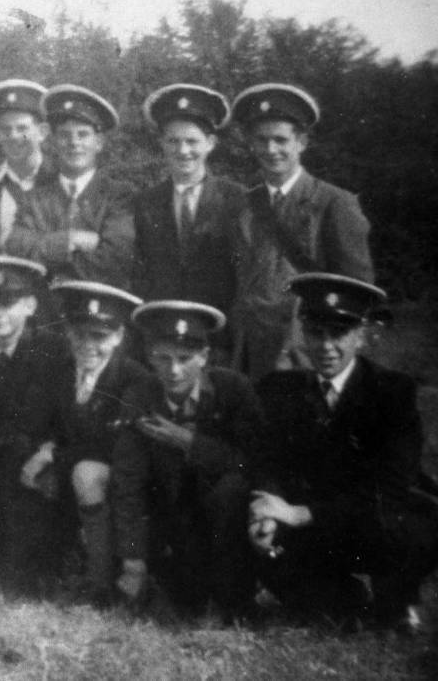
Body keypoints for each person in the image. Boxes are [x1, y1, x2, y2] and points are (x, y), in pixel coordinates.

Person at [249, 273, 438, 631]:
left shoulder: (392, 392)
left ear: (361, 335)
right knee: (325, 609)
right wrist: (267, 511)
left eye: (339, 333)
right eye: (316, 333)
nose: (326, 346)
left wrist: (301, 513)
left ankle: (397, 597)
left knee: (409, 530)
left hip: (371, 521)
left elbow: (389, 490)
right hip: (314, 526)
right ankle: (344, 599)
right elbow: (265, 459)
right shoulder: (279, 389)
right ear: (303, 333)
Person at [111, 301, 262, 621]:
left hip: (225, 522)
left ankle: (230, 601)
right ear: (150, 357)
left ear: (204, 357)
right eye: (163, 358)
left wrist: (187, 441)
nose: (174, 370)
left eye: (184, 358)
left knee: (231, 489)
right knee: (182, 598)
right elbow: (128, 480)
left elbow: (250, 461)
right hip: (175, 522)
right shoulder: (140, 395)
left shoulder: (233, 389)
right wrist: (133, 558)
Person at [229, 83, 373, 381]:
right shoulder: (244, 204)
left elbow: (357, 291)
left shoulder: (334, 203)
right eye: (262, 140)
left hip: (305, 350)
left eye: (281, 140)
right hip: (250, 350)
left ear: (302, 142)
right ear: (251, 144)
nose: (271, 150)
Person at [0, 255, 73, 588]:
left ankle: (28, 571)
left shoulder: (53, 350)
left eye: (9, 302)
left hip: (41, 455)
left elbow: (48, 421)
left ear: (31, 305)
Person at [46, 280, 147, 605]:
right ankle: (54, 567)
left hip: (126, 482)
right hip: (74, 474)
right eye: (78, 334)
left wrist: (52, 454)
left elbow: (113, 445)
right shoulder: (60, 372)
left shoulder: (134, 378)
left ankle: (99, 580)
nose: (87, 345)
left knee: (86, 473)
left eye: (99, 336)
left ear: (118, 337)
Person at [132, 84, 245, 359]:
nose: (183, 151)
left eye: (192, 141)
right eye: (173, 141)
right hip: (162, 337)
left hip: (218, 337)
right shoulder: (144, 203)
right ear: (161, 143)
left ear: (211, 143)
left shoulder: (238, 200)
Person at [6, 85, 135, 289]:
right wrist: (69, 240)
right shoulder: (33, 199)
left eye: (83, 134)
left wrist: (56, 270)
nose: (74, 143)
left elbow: (115, 259)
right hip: (46, 314)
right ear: (54, 141)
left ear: (99, 142)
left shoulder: (119, 195)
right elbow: (17, 250)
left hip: (102, 310)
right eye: (64, 135)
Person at [0, 79, 51, 255]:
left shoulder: (61, 180)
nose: (14, 136)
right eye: (5, 130)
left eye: (22, 129)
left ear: (42, 132)